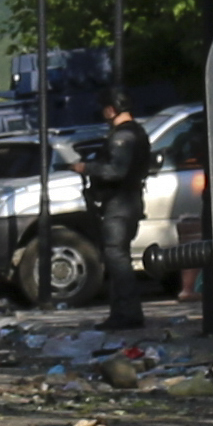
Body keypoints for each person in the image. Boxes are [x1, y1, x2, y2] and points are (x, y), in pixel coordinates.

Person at [74, 89, 154, 331]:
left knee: (116, 257)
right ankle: (121, 312)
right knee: (116, 256)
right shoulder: (137, 133)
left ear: (112, 109)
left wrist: (85, 167)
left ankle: (127, 313)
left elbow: (115, 170)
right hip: (127, 201)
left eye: (105, 107)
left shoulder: (123, 136)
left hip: (120, 203)